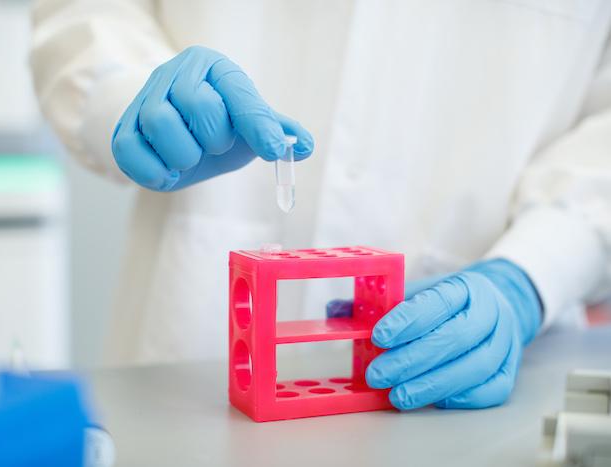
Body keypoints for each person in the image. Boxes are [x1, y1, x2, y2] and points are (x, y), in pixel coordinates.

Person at [30, 0, 611, 410]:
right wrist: (126, 94)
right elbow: (86, 13)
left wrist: (533, 270)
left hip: (470, 358)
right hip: (188, 361)